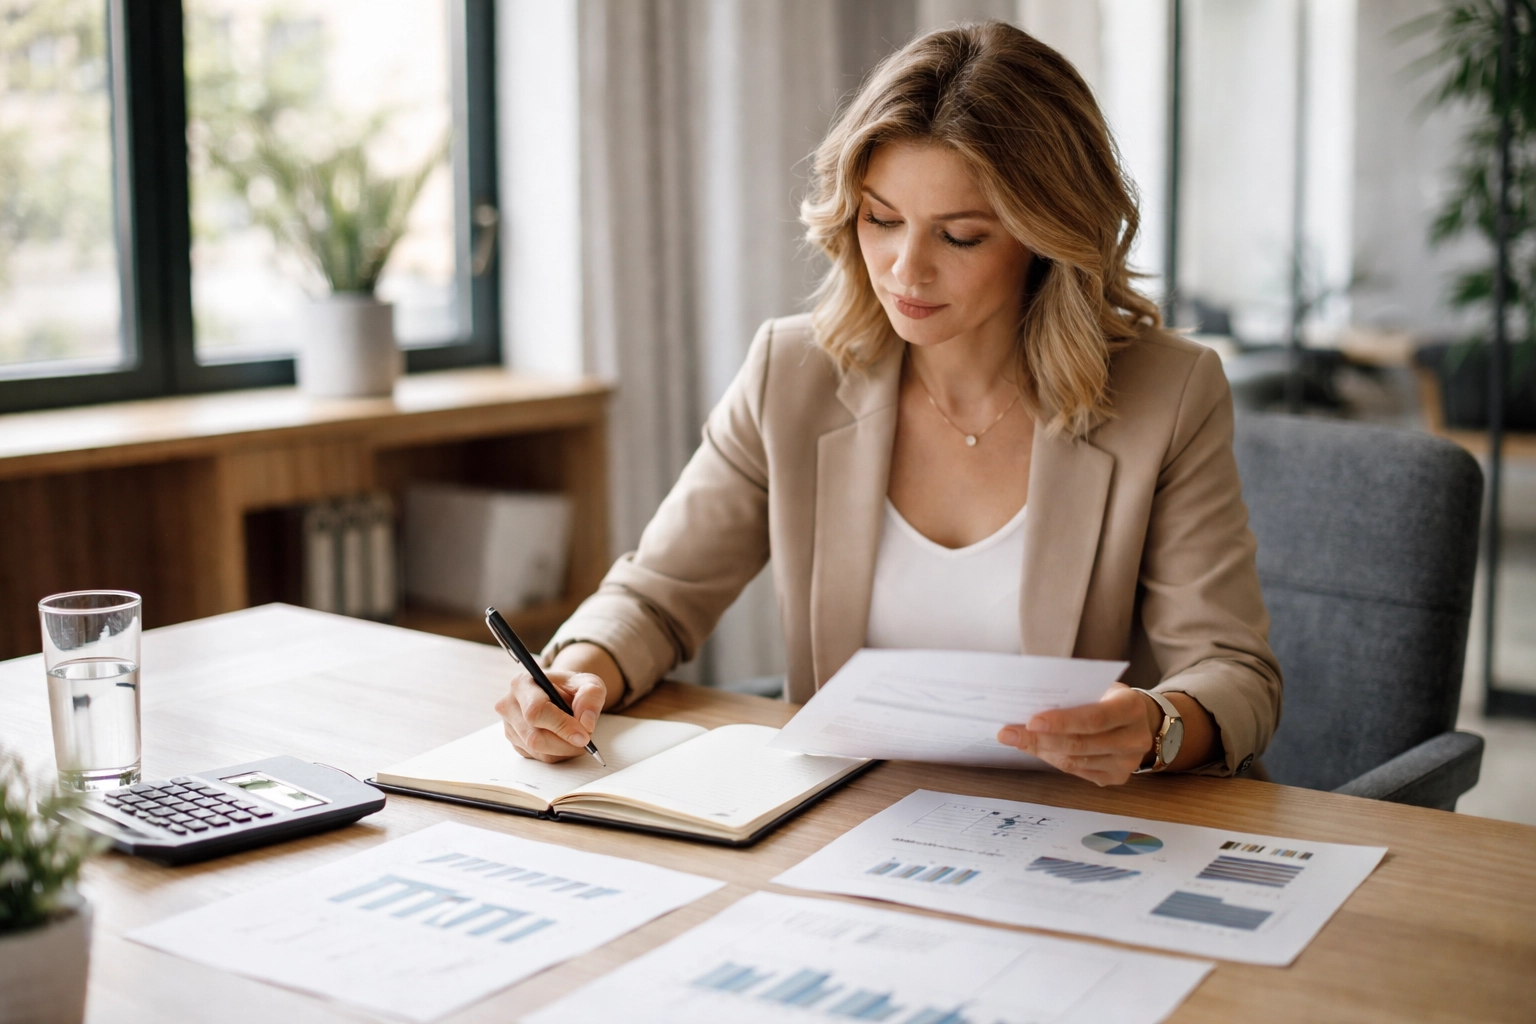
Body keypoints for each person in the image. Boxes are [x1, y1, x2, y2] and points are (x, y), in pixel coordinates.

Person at [494, 21, 1281, 786]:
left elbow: (1234, 672)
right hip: (852, 822)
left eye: (961, 236)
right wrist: (574, 674)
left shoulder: (1167, 395)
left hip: (1081, 829)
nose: (906, 269)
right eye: (881, 219)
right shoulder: (792, 373)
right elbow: (657, 596)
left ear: (1046, 236)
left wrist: (1156, 726)